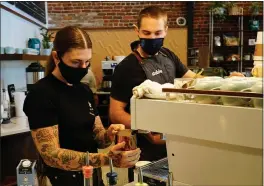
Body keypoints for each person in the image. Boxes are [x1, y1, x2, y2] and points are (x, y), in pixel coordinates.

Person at [109, 6, 244, 182]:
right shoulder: (126, 68)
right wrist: (147, 126)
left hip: (175, 141)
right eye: (146, 33)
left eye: (157, 32)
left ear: (166, 30)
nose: (152, 38)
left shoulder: (168, 55)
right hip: (145, 149)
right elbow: (115, 112)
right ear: (137, 31)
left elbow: (193, 80)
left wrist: (225, 80)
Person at [23, 26, 141, 186]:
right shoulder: (41, 94)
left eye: (87, 62)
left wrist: (110, 134)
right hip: (60, 181)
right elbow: (51, 155)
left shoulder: (83, 90)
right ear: (56, 57)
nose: (83, 68)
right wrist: (106, 159)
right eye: (76, 62)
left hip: (92, 177)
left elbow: (99, 138)